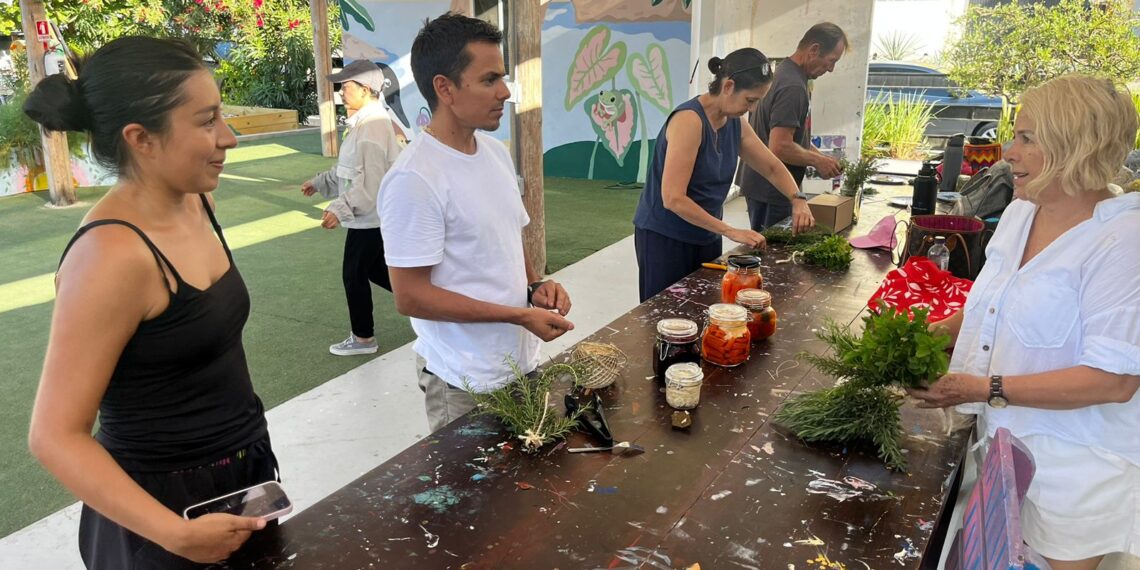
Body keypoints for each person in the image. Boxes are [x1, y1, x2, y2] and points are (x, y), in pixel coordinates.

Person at [24, 37, 278, 568]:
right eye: (206, 121)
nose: (227, 137)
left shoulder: (198, 199)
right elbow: (54, 436)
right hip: (161, 518)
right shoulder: (110, 257)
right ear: (141, 139)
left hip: (245, 475)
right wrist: (175, 534)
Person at [908, 75, 1140, 570]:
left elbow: (1115, 380)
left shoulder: (1123, 241)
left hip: (1074, 472)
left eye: (1026, 138)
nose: (1008, 152)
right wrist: (932, 335)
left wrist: (978, 386)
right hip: (1002, 446)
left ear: (1075, 146)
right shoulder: (1020, 212)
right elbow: (990, 305)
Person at [379, 13, 573, 433]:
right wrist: (517, 316)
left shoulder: (494, 152)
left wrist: (535, 285)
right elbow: (410, 297)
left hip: (521, 363)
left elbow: (509, 234)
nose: (505, 92)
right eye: (489, 80)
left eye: (502, 78)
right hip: (463, 382)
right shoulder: (415, 178)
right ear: (444, 88)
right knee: (477, 499)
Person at [631, 47, 812, 302]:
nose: (752, 107)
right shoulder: (689, 121)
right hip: (666, 237)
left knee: (705, 306)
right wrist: (730, 230)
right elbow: (673, 198)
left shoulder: (735, 123)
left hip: (706, 232)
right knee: (666, 316)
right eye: (750, 100)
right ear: (728, 86)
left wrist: (798, 198)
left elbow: (770, 166)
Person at [302, 59, 403, 356]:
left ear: (366, 89)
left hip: (369, 217)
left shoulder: (372, 128)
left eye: (346, 86)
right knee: (374, 270)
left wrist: (339, 208)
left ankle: (363, 338)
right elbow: (348, 170)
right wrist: (320, 183)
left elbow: (368, 183)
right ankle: (430, 305)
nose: (341, 92)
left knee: (353, 274)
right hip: (369, 216)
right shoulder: (363, 123)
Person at [737, 22, 848, 231]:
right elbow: (780, 147)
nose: (831, 69)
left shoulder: (785, 73)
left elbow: (794, 139)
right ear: (814, 50)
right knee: (774, 254)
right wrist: (817, 161)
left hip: (765, 184)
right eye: (831, 61)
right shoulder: (793, 87)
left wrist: (822, 159)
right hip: (772, 188)